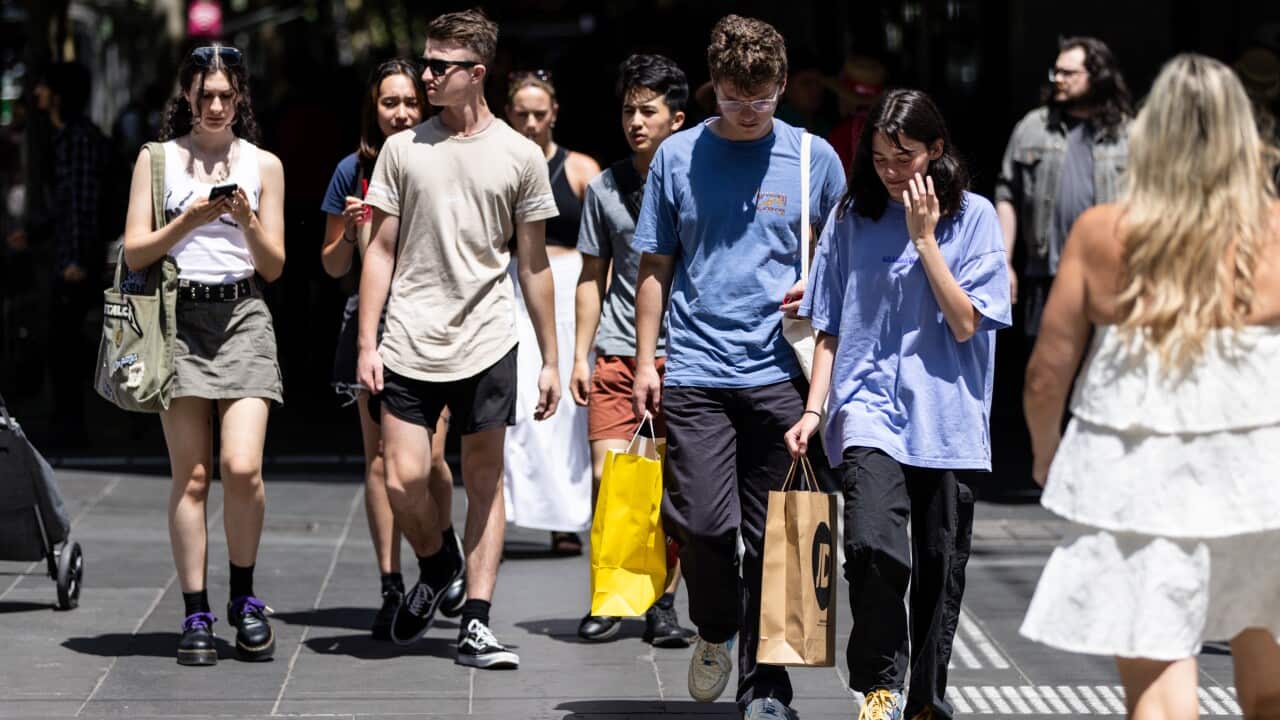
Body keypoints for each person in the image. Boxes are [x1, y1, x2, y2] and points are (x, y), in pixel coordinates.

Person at [1019, 53, 1280, 720]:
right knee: (1271, 676)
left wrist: (1047, 457)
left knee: (1160, 688)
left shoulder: (1104, 233)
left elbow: (1047, 371)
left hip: (1139, 478)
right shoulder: (1274, 234)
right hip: (1263, 474)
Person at [632, 15, 846, 719]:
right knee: (705, 527)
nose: (748, 111)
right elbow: (656, 265)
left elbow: (845, 268)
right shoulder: (677, 157)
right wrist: (645, 360)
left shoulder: (815, 159)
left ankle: (769, 690)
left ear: (782, 85)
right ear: (713, 86)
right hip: (695, 368)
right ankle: (715, 627)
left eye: (761, 98)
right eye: (732, 96)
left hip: (782, 372)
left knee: (784, 535)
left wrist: (816, 290)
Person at [786, 88, 1011, 720]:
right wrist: (813, 410)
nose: (890, 171)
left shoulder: (977, 219)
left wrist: (925, 241)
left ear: (936, 150)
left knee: (940, 569)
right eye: (880, 157)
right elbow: (827, 323)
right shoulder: (849, 217)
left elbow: (967, 323)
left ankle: (924, 701)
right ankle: (880, 681)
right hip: (866, 409)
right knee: (871, 548)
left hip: (946, 417)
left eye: (904, 156)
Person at [357, 8, 561, 670]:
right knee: (401, 478)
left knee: (485, 477)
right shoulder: (402, 148)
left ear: (476, 74)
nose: (426, 75)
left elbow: (532, 264)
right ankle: (437, 560)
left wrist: (553, 358)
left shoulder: (519, 155)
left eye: (439, 66)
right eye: (426, 62)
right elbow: (381, 249)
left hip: (488, 336)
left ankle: (476, 617)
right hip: (410, 338)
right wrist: (368, 342)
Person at [120, 44, 286, 666]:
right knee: (192, 476)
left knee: (242, 468)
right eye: (204, 94)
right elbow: (137, 251)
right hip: (177, 320)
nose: (215, 105)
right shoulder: (157, 160)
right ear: (186, 95)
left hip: (243, 316)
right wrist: (189, 221)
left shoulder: (264, 164)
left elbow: (274, 265)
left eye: (226, 94)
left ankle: (244, 599)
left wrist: (244, 219)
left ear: (240, 96)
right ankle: (196, 611)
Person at [320, 59, 464, 642]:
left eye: (409, 100)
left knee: (429, 458)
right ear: (372, 109)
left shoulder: (442, 157)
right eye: (388, 102)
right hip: (372, 327)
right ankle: (391, 583)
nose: (400, 111)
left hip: (433, 326)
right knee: (380, 461)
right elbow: (332, 265)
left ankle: (441, 552)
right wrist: (353, 235)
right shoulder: (350, 170)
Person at [569, 52, 694, 646]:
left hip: (686, 355)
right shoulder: (603, 187)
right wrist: (578, 354)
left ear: (678, 118)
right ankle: (610, 591)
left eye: (648, 111)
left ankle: (661, 603)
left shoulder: (698, 183)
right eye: (628, 111)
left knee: (667, 490)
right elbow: (592, 276)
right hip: (618, 353)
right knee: (610, 478)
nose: (636, 122)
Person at [502, 69, 600, 556]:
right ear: (508, 114)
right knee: (520, 403)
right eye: (522, 113)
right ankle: (516, 507)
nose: (531, 122)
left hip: (571, 286)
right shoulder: (498, 164)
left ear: (554, 114)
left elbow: (609, 240)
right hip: (515, 288)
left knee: (568, 413)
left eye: (540, 113)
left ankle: (567, 517)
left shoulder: (581, 169)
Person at [995, 36, 1131, 338]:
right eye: (1055, 71)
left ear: (1097, 76)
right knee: (1045, 370)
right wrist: (1003, 261)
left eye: (1068, 73)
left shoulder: (1126, 133)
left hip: (1110, 275)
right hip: (1046, 275)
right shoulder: (1032, 127)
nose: (1058, 79)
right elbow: (1006, 195)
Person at [37, 62, 110, 450]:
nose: (37, 94)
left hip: (75, 261)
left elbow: (83, 203)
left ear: (59, 95)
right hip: (68, 255)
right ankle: (68, 423)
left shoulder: (77, 140)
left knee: (66, 346)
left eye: (45, 87)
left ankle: (72, 428)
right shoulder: (67, 137)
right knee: (62, 345)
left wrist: (78, 260)